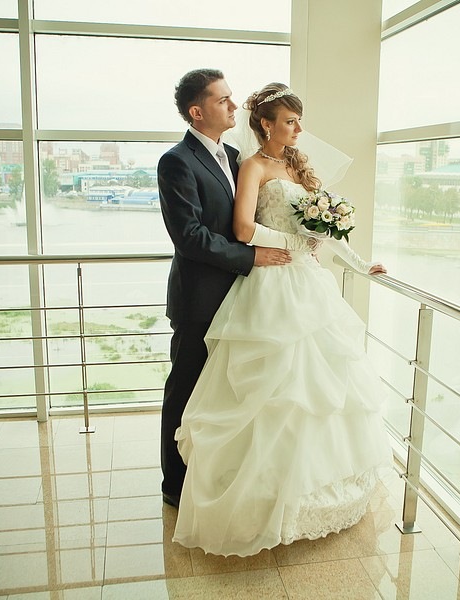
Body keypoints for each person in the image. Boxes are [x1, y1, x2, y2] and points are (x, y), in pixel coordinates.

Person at [172, 82, 392, 557]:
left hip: (308, 284)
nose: (298, 129)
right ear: (266, 124)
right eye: (290, 121)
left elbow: (325, 227)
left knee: (318, 390)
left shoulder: (298, 165)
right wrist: (291, 245)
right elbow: (243, 228)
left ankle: (313, 489)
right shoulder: (250, 165)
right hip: (271, 281)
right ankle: (255, 495)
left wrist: (360, 264)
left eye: (298, 121)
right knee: (274, 392)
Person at [158, 70, 313, 508]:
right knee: (187, 392)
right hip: (200, 298)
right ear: (197, 111)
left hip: (245, 297)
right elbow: (189, 236)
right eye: (222, 100)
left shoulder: (234, 155)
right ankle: (175, 485)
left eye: (231, 97)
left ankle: (218, 479)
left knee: (226, 397)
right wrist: (252, 256)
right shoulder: (176, 161)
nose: (233, 105)